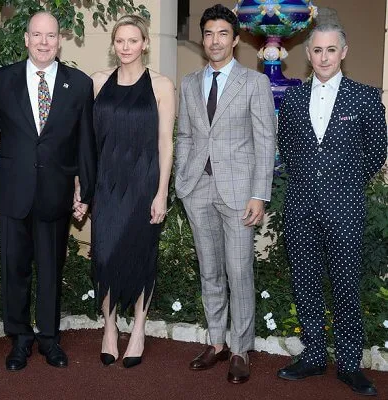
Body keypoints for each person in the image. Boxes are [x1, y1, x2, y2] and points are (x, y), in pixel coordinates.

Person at [0, 11, 96, 371]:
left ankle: (48, 339)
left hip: (55, 195)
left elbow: (85, 143)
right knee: (14, 271)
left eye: (51, 36)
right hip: (13, 194)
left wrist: (85, 190)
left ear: (60, 41)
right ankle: (20, 339)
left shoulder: (79, 83)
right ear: (25, 39)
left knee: (50, 270)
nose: (44, 42)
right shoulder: (2, 80)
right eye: (37, 35)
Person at [276, 23, 387, 397]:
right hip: (301, 205)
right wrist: (310, 180)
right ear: (308, 55)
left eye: (330, 50)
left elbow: (376, 151)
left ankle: (350, 362)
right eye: (317, 50)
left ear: (344, 52)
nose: (323, 57)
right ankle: (313, 355)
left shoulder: (365, 98)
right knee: (305, 281)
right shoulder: (292, 100)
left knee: (345, 285)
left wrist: (346, 183)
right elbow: (288, 149)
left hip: (345, 206)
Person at [175, 4, 276, 384]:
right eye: (208, 34)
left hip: (238, 193)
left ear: (235, 39)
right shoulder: (188, 83)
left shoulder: (254, 83)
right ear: (203, 40)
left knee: (238, 271)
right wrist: (183, 181)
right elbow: (184, 134)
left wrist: (259, 195)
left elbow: (266, 143)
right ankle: (216, 342)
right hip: (198, 189)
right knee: (210, 270)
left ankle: (240, 349)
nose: (215, 41)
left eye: (222, 34)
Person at [90, 15, 175, 368]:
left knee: (141, 257)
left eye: (132, 40)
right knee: (104, 256)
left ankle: (138, 328)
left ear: (145, 43)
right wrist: (82, 185)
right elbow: (86, 142)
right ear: (113, 45)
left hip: (143, 185)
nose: (126, 47)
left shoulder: (161, 85)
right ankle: (109, 328)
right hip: (106, 185)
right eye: (120, 41)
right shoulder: (96, 83)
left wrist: (161, 193)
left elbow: (166, 143)